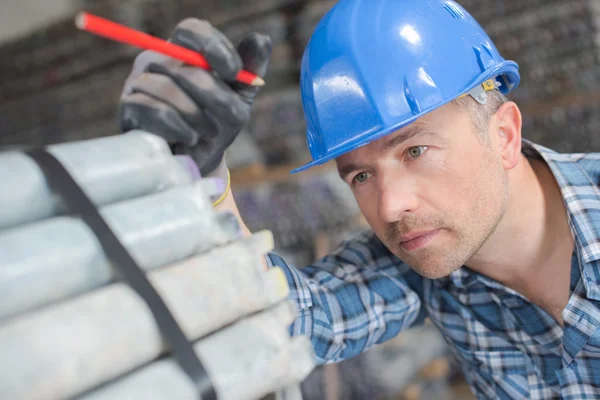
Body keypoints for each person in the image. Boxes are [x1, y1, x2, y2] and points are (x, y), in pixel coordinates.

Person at [117, 0, 600, 398]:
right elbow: (295, 317)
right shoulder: (427, 268)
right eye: (361, 175)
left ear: (504, 135)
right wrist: (201, 175)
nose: (389, 207)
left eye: (415, 150)